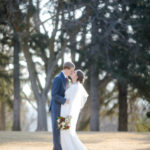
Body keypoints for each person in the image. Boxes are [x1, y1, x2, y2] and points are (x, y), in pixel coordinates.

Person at [49, 62, 75, 150]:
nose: (72, 73)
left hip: (64, 109)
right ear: (66, 69)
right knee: (57, 131)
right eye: (71, 71)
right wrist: (65, 100)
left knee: (63, 131)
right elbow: (54, 94)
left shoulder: (67, 79)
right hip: (56, 108)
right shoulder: (58, 78)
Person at [60, 69, 89, 150]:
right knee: (63, 134)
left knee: (67, 134)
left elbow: (72, 102)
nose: (72, 73)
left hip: (67, 114)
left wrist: (68, 116)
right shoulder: (73, 86)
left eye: (74, 72)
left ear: (76, 77)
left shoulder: (76, 87)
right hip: (64, 112)